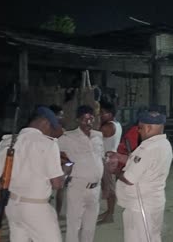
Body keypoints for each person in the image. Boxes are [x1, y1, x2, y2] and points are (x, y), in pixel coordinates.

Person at [0, 106, 67, 242]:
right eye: (51, 128)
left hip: (12, 206)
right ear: (45, 123)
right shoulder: (48, 144)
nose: (51, 133)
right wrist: (66, 171)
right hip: (37, 208)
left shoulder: (7, 142)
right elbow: (57, 184)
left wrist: (2, 202)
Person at [112, 110, 173, 242]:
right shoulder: (164, 144)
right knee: (153, 237)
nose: (139, 131)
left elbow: (129, 178)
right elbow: (143, 164)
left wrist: (114, 171)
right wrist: (119, 157)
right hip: (154, 202)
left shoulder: (147, 149)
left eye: (140, 128)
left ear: (149, 127)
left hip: (140, 207)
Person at [58, 105, 104, 242]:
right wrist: (66, 163)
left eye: (91, 119)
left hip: (96, 189)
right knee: (74, 226)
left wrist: (107, 185)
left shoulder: (98, 136)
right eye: (84, 119)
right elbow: (51, 150)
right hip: (78, 187)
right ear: (78, 120)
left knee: (89, 228)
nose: (88, 122)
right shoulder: (68, 137)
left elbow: (101, 160)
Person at [98, 101, 122, 224]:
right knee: (109, 187)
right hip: (111, 157)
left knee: (109, 188)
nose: (100, 115)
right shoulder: (117, 124)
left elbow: (93, 137)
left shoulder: (107, 127)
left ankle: (110, 214)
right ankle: (108, 212)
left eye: (103, 113)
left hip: (107, 159)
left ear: (110, 114)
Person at [49, 104, 66, 218]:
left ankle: (55, 213)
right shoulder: (57, 130)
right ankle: (55, 213)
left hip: (58, 162)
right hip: (56, 162)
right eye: (60, 115)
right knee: (57, 189)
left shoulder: (46, 128)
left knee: (57, 189)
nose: (62, 117)